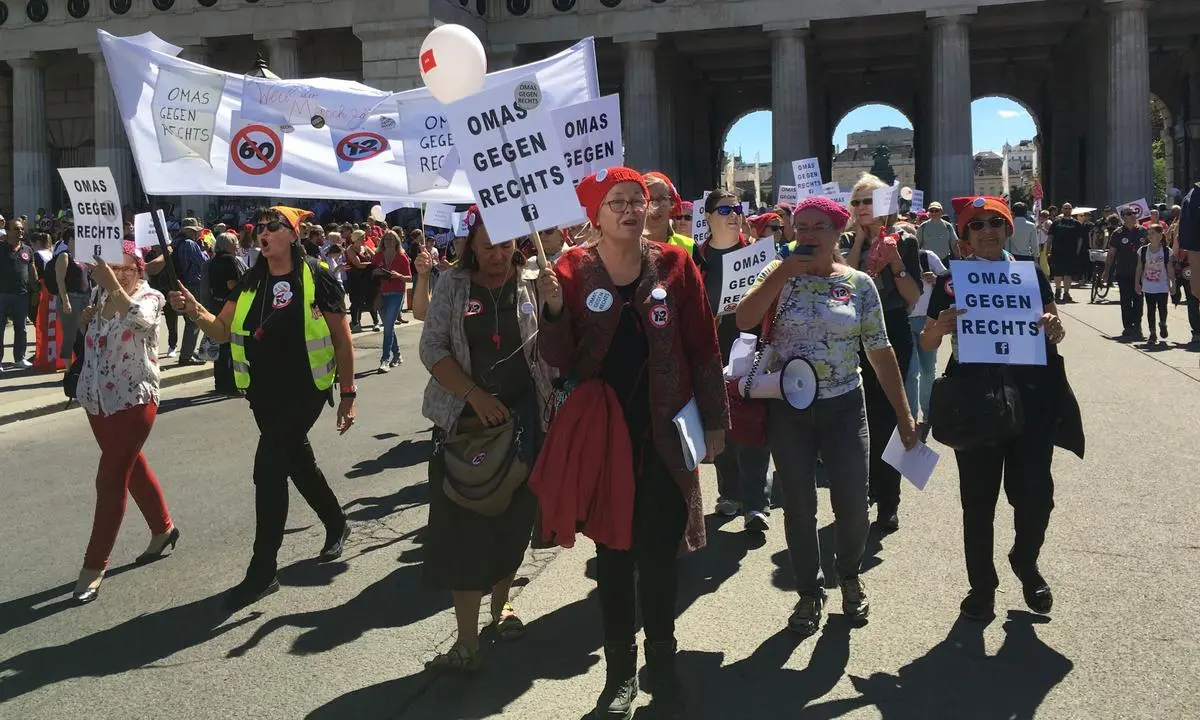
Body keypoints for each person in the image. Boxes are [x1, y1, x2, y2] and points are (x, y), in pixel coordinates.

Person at [537, 167, 728, 720]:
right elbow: (557, 359)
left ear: (649, 211)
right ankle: (618, 676)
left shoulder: (675, 263)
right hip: (604, 443)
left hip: (664, 436)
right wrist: (551, 309)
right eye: (614, 201)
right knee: (614, 559)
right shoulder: (569, 270)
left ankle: (662, 664)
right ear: (594, 215)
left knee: (661, 557)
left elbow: (703, 346)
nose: (627, 209)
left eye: (635, 201)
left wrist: (715, 421)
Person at [737, 196, 917, 636]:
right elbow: (743, 317)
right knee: (799, 507)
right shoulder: (778, 274)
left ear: (839, 233)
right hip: (788, 409)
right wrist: (781, 273)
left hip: (844, 406)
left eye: (819, 227)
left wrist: (905, 414)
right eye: (801, 227)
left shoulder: (859, 284)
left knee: (854, 503)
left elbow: (880, 350)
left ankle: (850, 574)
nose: (808, 235)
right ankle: (808, 591)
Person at [169, 206, 355, 611]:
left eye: (274, 227)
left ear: (293, 235)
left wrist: (349, 394)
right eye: (260, 228)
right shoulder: (251, 280)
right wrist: (193, 309)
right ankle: (337, 522)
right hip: (264, 394)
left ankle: (263, 569)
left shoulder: (318, 276)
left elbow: (342, 339)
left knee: (269, 467)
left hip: (305, 391)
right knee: (296, 462)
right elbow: (220, 330)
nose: (264, 233)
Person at [920, 195, 1077, 622]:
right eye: (977, 225)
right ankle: (982, 587)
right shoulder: (953, 280)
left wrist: (1054, 328)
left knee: (1036, 497)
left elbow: (1051, 325)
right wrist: (942, 326)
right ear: (965, 235)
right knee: (978, 499)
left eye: (996, 222)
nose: (987, 231)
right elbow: (926, 342)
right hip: (975, 399)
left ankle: (1025, 561)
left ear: (1009, 228)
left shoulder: (1031, 275)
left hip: (1031, 396)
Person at [416, 206, 556, 673]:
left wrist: (555, 303)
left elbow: (556, 344)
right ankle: (466, 640)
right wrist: (473, 396)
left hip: (525, 422)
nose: (497, 255)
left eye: (505, 244)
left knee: (514, 523)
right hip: (465, 425)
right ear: (470, 246)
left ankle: (503, 606)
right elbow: (431, 347)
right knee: (465, 529)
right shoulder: (454, 286)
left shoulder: (535, 280)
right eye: (487, 246)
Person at [72, 242, 178, 604]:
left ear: (140, 270)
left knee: (110, 478)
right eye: (113, 268)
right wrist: (85, 320)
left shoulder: (151, 297)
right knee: (131, 468)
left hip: (134, 399)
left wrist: (112, 287)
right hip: (96, 400)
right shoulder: (100, 293)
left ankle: (93, 566)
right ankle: (163, 529)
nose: (118, 274)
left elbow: (139, 320)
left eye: (126, 269)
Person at [839, 173, 922, 534]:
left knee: (890, 415)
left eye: (868, 201)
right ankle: (867, 490)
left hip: (891, 329)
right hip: (853, 333)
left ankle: (890, 501)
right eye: (856, 202)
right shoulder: (842, 240)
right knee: (858, 415)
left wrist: (894, 263)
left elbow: (913, 296)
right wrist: (858, 241)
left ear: (885, 204)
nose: (861, 208)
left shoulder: (904, 240)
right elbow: (844, 283)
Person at [693, 189, 772, 530]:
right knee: (720, 421)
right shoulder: (696, 259)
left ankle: (756, 503)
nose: (733, 214)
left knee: (754, 422)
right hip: (712, 349)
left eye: (737, 209)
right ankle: (730, 494)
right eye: (724, 209)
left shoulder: (756, 255)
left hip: (751, 346)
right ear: (708, 217)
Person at [906, 245, 948, 435]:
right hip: (904, 319)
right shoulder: (892, 258)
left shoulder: (927, 256)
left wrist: (936, 279)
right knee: (911, 372)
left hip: (927, 320)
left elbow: (948, 280)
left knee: (928, 369)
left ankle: (929, 415)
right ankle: (912, 418)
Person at [206, 232, 247, 394]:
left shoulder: (212, 261)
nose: (237, 245)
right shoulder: (230, 260)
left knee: (221, 346)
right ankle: (231, 384)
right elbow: (232, 285)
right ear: (227, 245)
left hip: (216, 304)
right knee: (231, 346)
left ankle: (220, 383)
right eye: (235, 242)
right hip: (230, 306)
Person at [1105, 204, 1149, 340]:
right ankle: (1128, 327)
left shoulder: (1143, 231)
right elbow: (1111, 254)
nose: (1133, 215)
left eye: (1134, 212)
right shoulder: (1117, 233)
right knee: (1125, 301)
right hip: (1123, 272)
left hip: (1141, 273)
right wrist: (1106, 271)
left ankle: (1137, 326)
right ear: (1123, 217)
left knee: (1138, 300)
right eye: (1129, 214)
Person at [372, 229, 412, 372]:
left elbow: (409, 278)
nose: (389, 241)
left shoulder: (402, 257)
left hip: (396, 293)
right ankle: (398, 355)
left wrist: (399, 275)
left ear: (396, 241)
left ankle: (385, 360)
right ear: (383, 241)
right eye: (386, 239)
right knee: (389, 327)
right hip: (381, 294)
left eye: (391, 239)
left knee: (387, 328)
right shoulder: (377, 256)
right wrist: (374, 272)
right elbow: (371, 276)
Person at [52, 228, 92, 366]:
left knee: (85, 333)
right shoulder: (64, 256)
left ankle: (83, 363)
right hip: (71, 297)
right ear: (70, 240)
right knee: (70, 334)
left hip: (84, 298)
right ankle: (68, 368)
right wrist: (65, 301)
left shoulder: (83, 257)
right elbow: (60, 280)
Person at [0, 218, 36, 368]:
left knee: (21, 328)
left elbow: (32, 271)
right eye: (16, 229)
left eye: (21, 228)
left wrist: (35, 290)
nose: (20, 231)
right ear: (7, 231)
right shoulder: (1, 248)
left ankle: (20, 358)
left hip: (21, 295)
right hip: (2, 295)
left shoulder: (27, 250)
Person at [173, 218, 209, 365]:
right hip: (193, 284)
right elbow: (203, 262)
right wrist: (205, 250)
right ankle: (186, 356)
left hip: (182, 283)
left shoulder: (175, 243)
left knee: (189, 321)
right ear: (190, 231)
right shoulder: (190, 244)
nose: (196, 234)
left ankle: (187, 351)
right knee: (194, 321)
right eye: (195, 231)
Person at [1136, 223, 1173, 345]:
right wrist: (1137, 283)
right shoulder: (1143, 250)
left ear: (1160, 235)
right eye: (1149, 233)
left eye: (1153, 233)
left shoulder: (1167, 251)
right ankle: (1152, 333)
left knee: (1163, 308)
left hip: (1162, 285)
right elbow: (1139, 267)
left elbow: (1170, 268)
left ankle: (1163, 323)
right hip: (1148, 285)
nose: (1150, 236)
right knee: (1150, 310)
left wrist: (1173, 284)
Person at [642, 171, 694, 254]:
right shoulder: (625, 246)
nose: (655, 206)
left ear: (672, 204)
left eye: (661, 199)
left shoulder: (690, 247)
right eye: (649, 199)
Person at [1048, 203, 1086, 303]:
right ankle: (1057, 290)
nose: (1068, 210)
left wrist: (1077, 251)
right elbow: (1050, 236)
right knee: (1057, 273)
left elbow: (1080, 239)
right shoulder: (1056, 222)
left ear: (1071, 210)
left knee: (1068, 274)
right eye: (1065, 208)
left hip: (1071, 253)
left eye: (1069, 208)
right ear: (1062, 209)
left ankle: (1066, 293)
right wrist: (1048, 249)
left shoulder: (1076, 223)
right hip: (1057, 252)